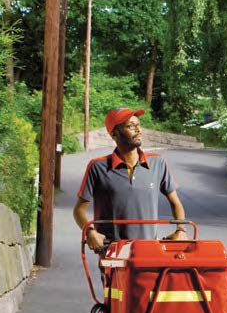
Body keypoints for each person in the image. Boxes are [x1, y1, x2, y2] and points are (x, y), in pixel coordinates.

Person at [73, 107, 188, 252]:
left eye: (138, 125)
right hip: (112, 251)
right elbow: (79, 210)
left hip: (149, 249)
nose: (138, 130)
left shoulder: (157, 163)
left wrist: (181, 230)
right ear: (115, 134)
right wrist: (90, 232)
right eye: (131, 126)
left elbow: (175, 202)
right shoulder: (98, 167)